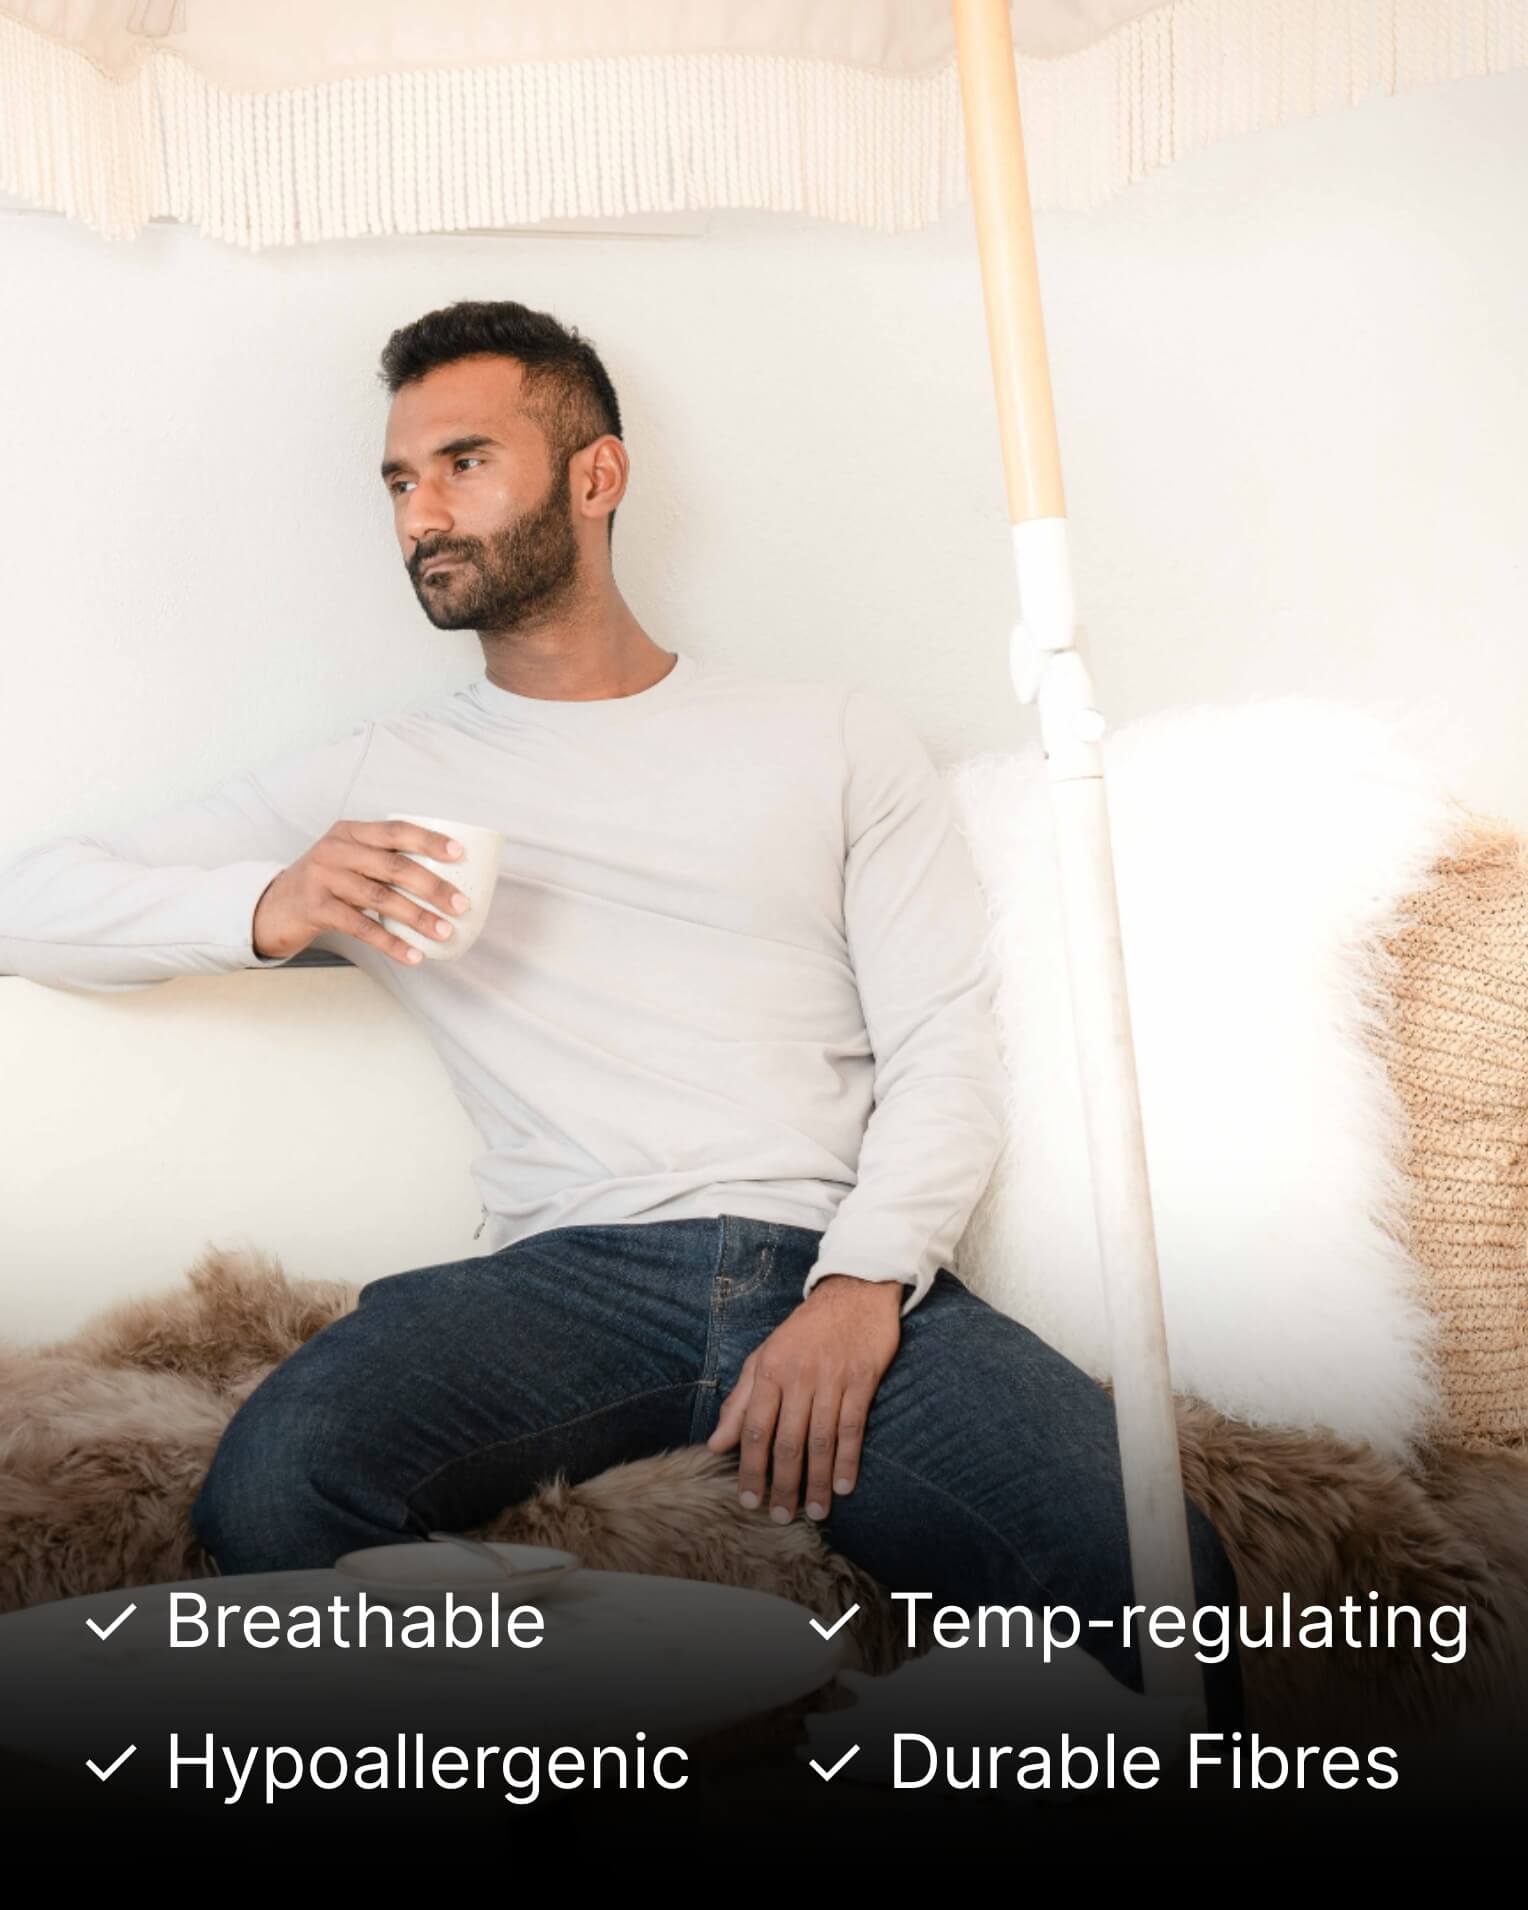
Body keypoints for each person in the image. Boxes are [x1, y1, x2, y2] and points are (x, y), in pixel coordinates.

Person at [0, 299, 1240, 1723]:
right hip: (564, 1278)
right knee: (278, 1487)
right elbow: (24, 898)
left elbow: (945, 1045)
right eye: (400, 481)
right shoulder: (387, 771)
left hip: (826, 1253)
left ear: (598, 476)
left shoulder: (827, 733)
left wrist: (864, 1280)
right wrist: (265, 905)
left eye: (465, 461)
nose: (422, 513)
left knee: (1165, 1579)